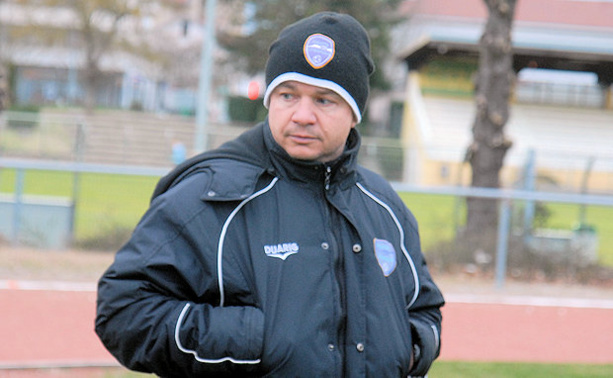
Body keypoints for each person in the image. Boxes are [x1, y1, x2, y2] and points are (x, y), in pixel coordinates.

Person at [96, 11, 444, 377]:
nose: (302, 115)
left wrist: (408, 349)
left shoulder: (385, 205)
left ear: (355, 113)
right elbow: (123, 311)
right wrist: (254, 340)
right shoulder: (209, 198)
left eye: (324, 100)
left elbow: (422, 309)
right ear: (269, 100)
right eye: (288, 95)